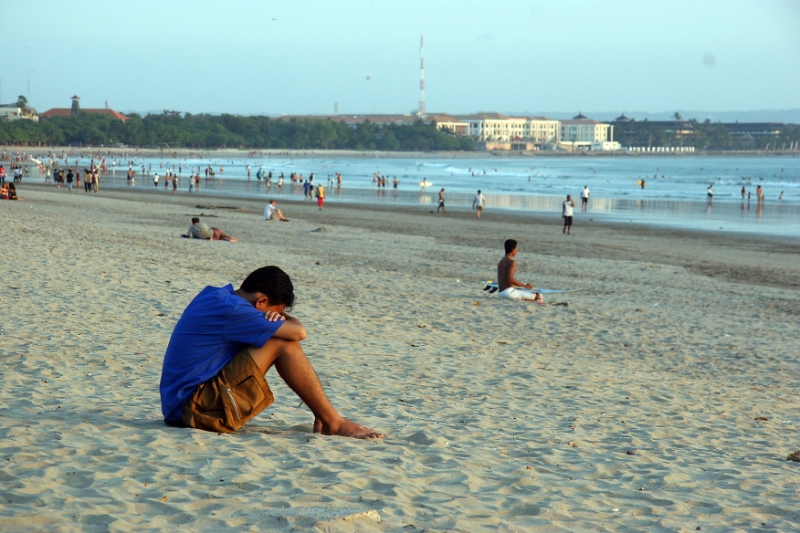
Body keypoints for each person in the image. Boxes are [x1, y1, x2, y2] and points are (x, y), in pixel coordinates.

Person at [159, 266, 383, 438]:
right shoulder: (235, 310)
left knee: (276, 338)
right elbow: (299, 332)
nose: (275, 317)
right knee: (283, 343)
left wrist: (276, 318)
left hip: (178, 406)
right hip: (192, 412)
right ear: (262, 301)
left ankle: (325, 415)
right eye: (274, 313)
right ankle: (334, 422)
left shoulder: (214, 295)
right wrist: (286, 320)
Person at [497, 239, 543, 303]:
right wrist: (524, 285)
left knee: (527, 298)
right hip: (509, 293)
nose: (517, 250)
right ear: (513, 249)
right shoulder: (511, 262)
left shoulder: (501, 262)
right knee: (539, 296)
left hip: (501, 293)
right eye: (516, 248)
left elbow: (503, 279)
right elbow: (510, 279)